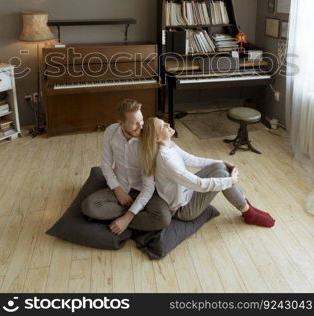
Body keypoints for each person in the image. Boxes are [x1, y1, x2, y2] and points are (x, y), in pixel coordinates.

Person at [140, 117, 275, 227]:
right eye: (162, 125)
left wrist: (222, 162)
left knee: (220, 167)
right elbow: (199, 184)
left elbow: (193, 160)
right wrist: (231, 181)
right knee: (223, 176)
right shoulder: (165, 159)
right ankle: (249, 214)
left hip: (187, 192)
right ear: (156, 138)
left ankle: (246, 205)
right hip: (184, 209)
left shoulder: (169, 146)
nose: (168, 124)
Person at [81, 99, 172, 235]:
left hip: (147, 191)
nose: (141, 126)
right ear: (121, 123)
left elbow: (149, 186)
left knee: (163, 219)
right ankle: (139, 213)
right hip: (121, 187)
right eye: (135, 123)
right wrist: (118, 191)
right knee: (89, 207)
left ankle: (124, 218)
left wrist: (127, 218)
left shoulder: (148, 137)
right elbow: (105, 165)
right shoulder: (110, 132)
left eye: (141, 120)